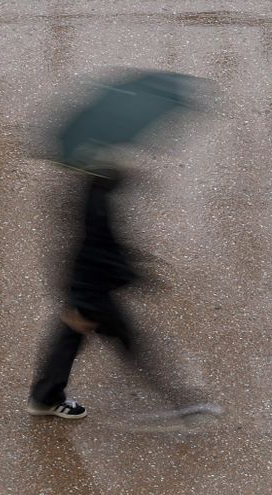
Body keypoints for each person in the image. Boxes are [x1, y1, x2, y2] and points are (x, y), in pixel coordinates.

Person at [27, 160, 221, 420]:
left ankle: (45, 397)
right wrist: (132, 274)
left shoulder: (87, 189)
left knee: (70, 338)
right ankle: (183, 405)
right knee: (131, 342)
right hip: (91, 289)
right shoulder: (95, 200)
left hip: (85, 286)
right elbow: (98, 246)